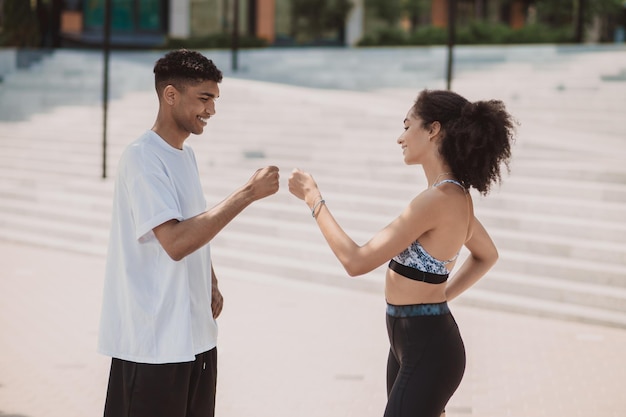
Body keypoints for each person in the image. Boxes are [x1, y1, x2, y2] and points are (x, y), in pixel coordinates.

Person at [288, 89, 515, 417]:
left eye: (408, 126)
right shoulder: (452, 196)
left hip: (427, 346)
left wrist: (313, 199)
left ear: (433, 130)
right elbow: (487, 255)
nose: (400, 138)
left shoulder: (438, 200)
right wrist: (440, 296)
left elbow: (356, 261)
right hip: (412, 341)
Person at [98, 49, 279, 417]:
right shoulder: (142, 157)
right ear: (170, 95)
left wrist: (209, 279)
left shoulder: (185, 155)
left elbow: (190, 224)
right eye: (204, 98)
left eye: (214, 99)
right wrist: (248, 193)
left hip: (194, 340)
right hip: (154, 346)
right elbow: (176, 241)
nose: (211, 110)